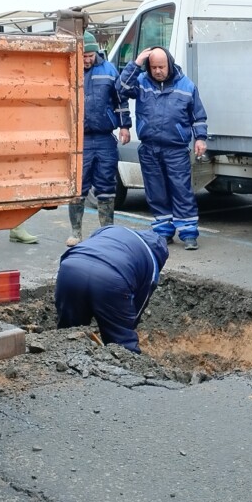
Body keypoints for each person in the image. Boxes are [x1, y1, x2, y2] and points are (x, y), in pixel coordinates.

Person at [117, 46, 208, 249]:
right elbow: (121, 88)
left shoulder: (186, 86)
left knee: (181, 190)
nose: (158, 71)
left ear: (170, 64)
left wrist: (200, 138)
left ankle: (188, 233)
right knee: (155, 191)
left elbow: (198, 116)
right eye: (154, 67)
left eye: (161, 66)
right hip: (149, 148)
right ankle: (163, 232)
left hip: (175, 149)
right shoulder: (141, 82)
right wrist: (137, 62)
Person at [54, 225, 169, 353]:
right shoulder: (152, 262)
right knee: (122, 346)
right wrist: (123, 325)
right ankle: (127, 367)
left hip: (70, 267)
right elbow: (139, 303)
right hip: (111, 278)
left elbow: (90, 244)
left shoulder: (112, 229)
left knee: (69, 332)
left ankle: (63, 364)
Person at [67, 30, 132, 247]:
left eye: (90, 56)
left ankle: (107, 232)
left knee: (106, 184)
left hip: (105, 138)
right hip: (80, 140)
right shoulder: (70, 70)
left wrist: (124, 126)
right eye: (83, 55)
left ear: (96, 53)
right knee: (78, 186)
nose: (87, 60)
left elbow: (120, 100)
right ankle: (76, 232)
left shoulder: (109, 70)